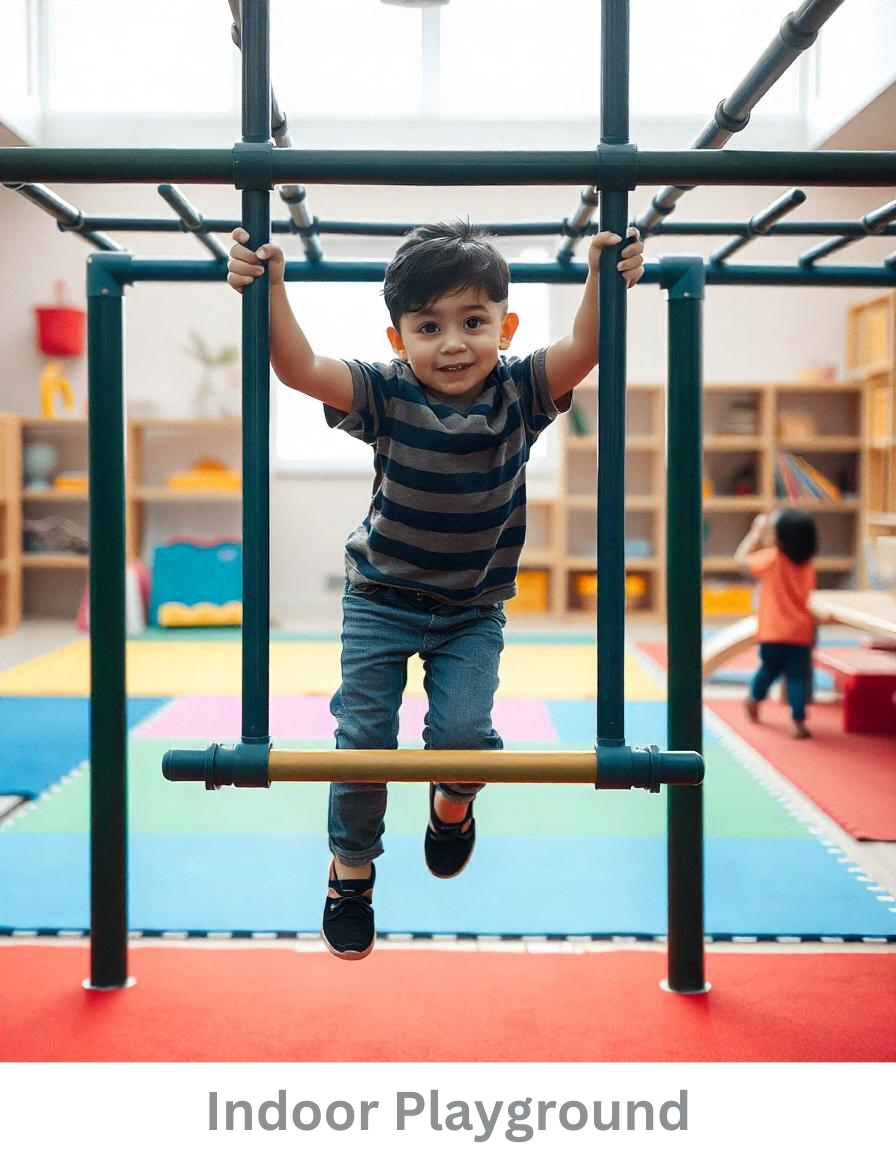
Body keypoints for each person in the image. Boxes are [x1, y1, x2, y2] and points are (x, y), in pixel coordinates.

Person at [227, 219, 644, 959]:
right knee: (362, 740)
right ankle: (351, 870)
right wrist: (270, 290)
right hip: (380, 600)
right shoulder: (385, 393)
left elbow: (587, 349)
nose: (452, 344)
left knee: (460, 738)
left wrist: (600, 278)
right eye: (428, 327)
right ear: (398, 339)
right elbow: (297, 368)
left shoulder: (520, 390)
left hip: (473, 610)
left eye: (473, 322)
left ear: (506, 326)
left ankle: (451, 807)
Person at [735, 507, 818, 740]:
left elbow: (740, 560)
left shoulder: (772, 559)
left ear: (780, 538)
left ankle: (754, 698)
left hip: (773, 633)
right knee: (798, 678)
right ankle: (798, 721)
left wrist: (755, 532)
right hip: (800, 634)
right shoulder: (808, 565)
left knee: (767, 671)